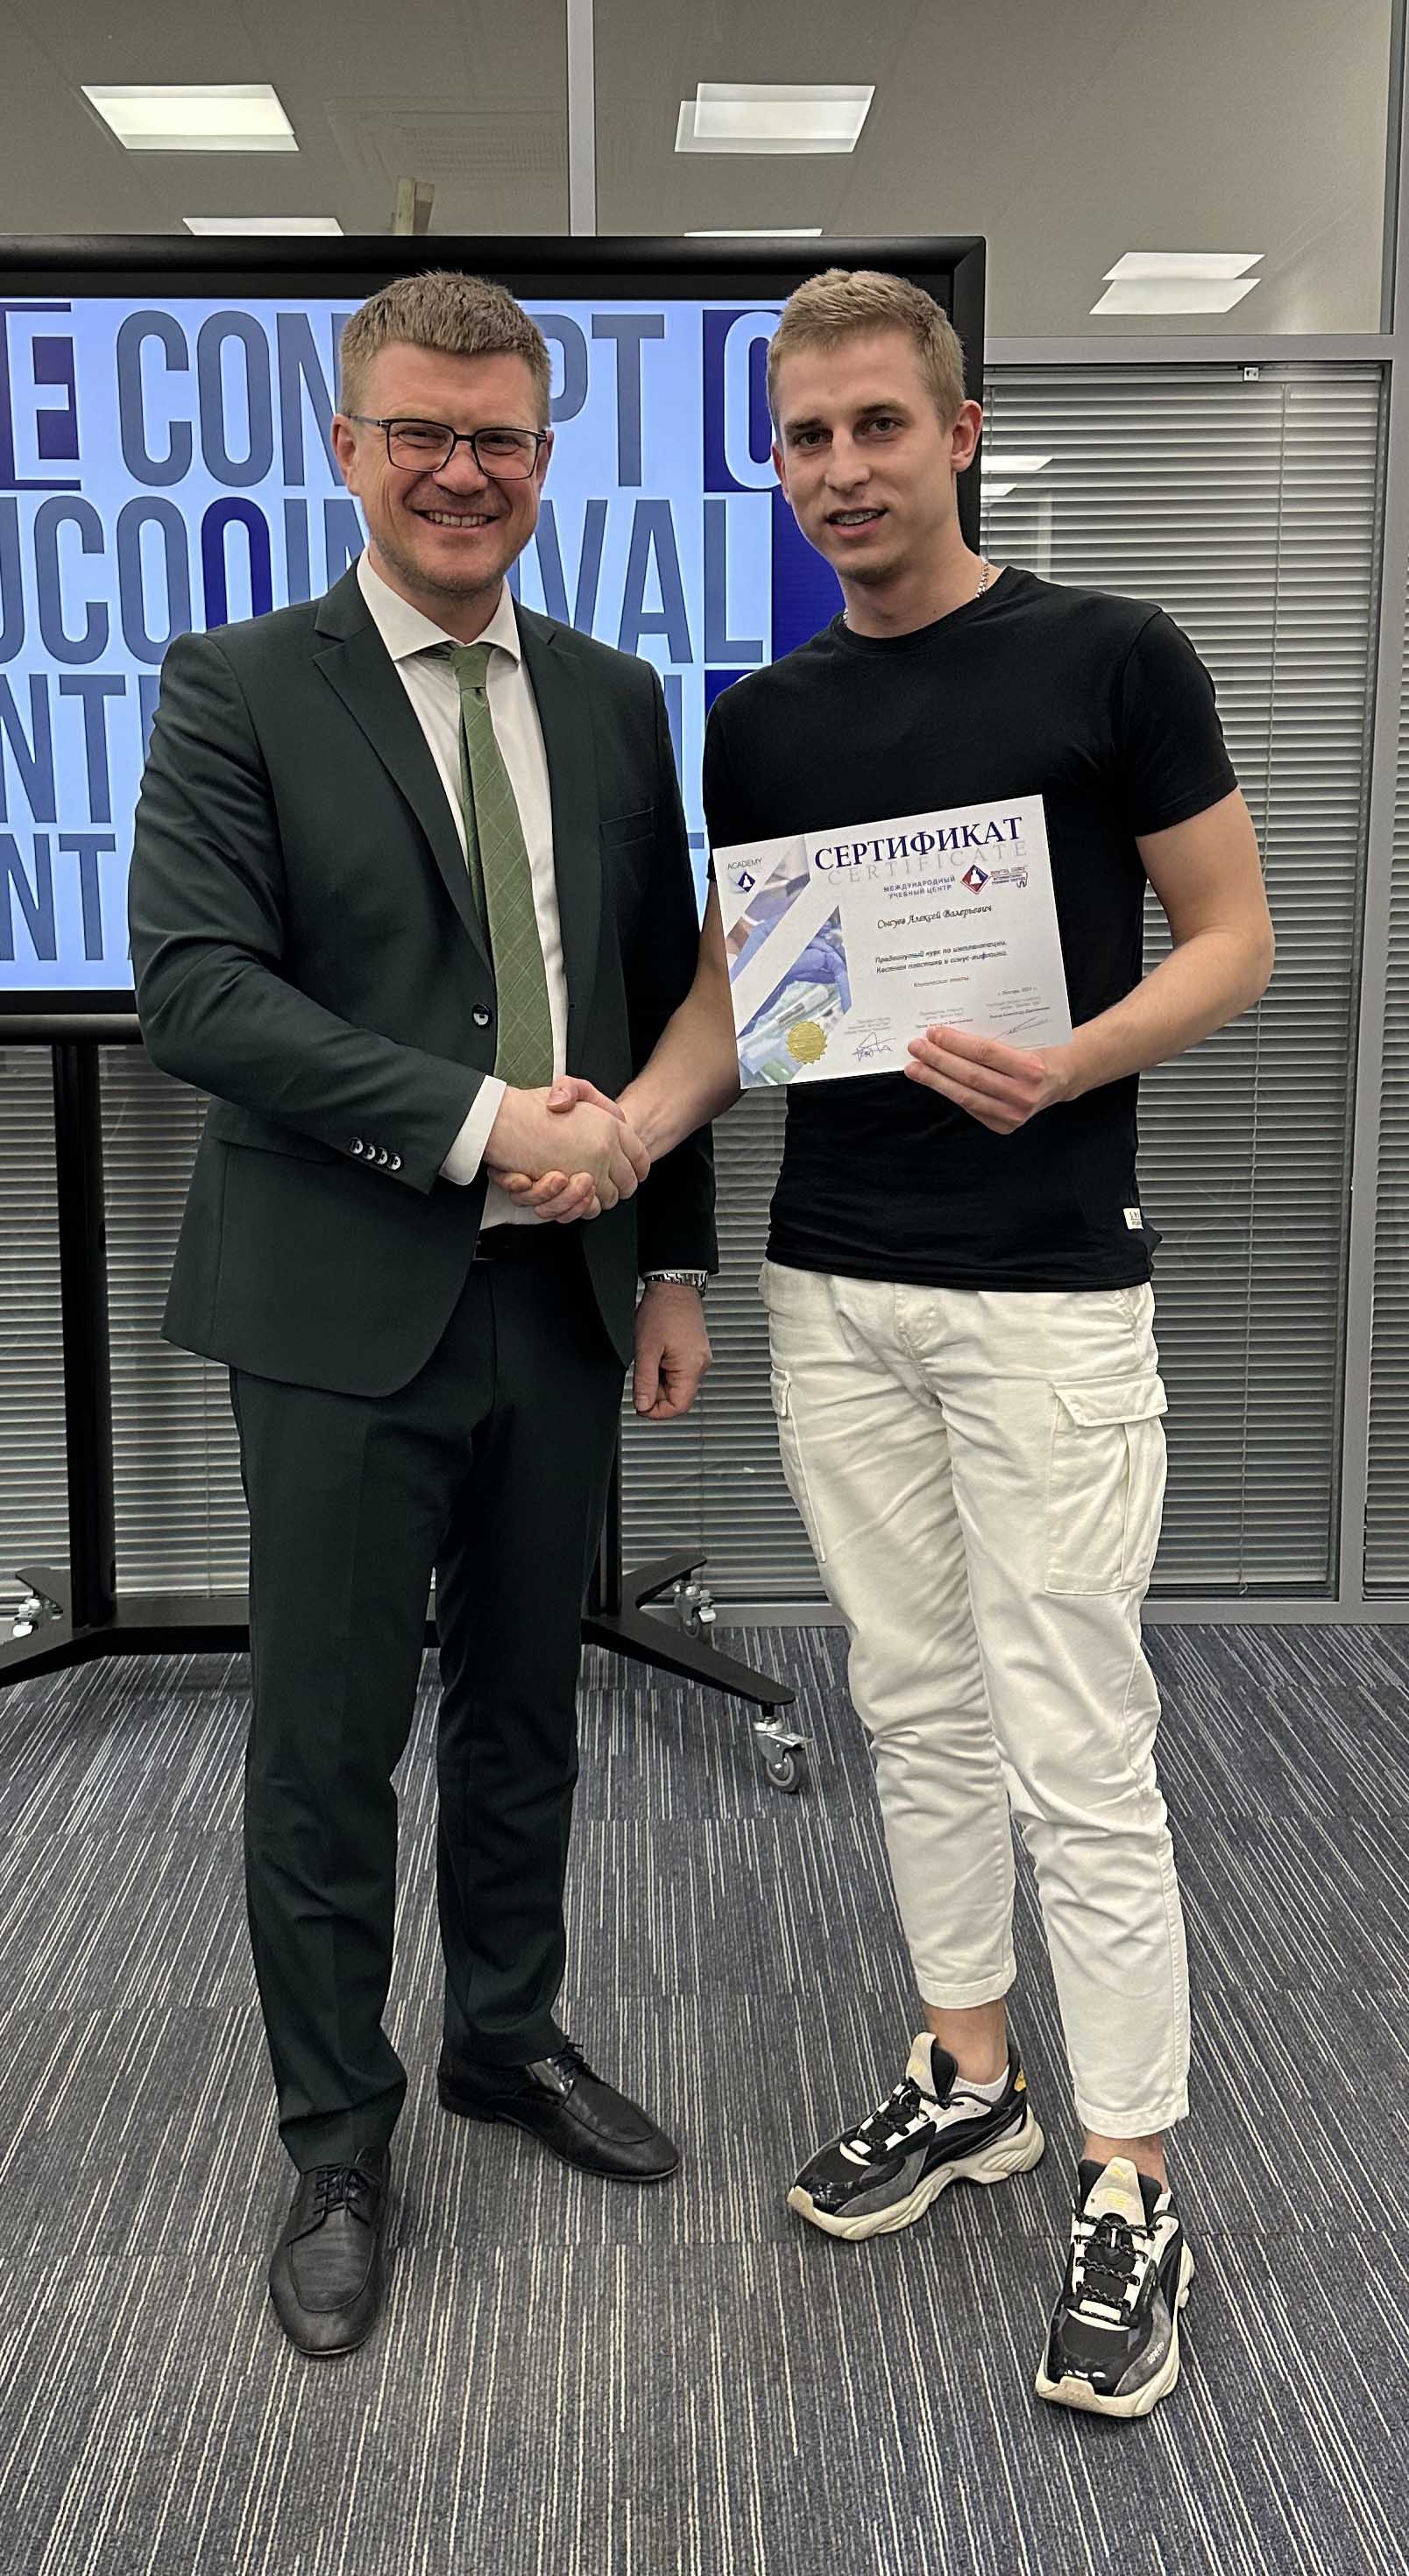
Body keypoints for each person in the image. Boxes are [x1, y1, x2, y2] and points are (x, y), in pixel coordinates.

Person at [127, 269, 732, 2360]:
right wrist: (480, 1124)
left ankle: (503, 2038)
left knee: (525, 1708)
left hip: (564, 1300)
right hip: (336, 1300)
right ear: (349, 446)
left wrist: (672, 1260)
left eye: (499, 439)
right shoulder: (235, 684)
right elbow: (197, 991)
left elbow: (657, 993)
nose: (461, 471)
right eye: (421, 433)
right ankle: (336, 2138)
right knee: (325, 1742)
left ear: (546, 460)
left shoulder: (615, 696)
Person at [696, 268, 1276, 2420]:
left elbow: (1236, 936)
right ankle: (973, 2078)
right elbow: (753, 995)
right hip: (832, 1276)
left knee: (1076, 1737)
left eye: (879, 424)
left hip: (1045, 1290)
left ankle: (1132, 2174)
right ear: (777, 462)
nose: (842, 467)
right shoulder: (761, 723)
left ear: (960, 433)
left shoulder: (1115, 655)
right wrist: (636, 1133)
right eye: (807, 435)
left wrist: (1074, 1057)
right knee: (914, 1705)